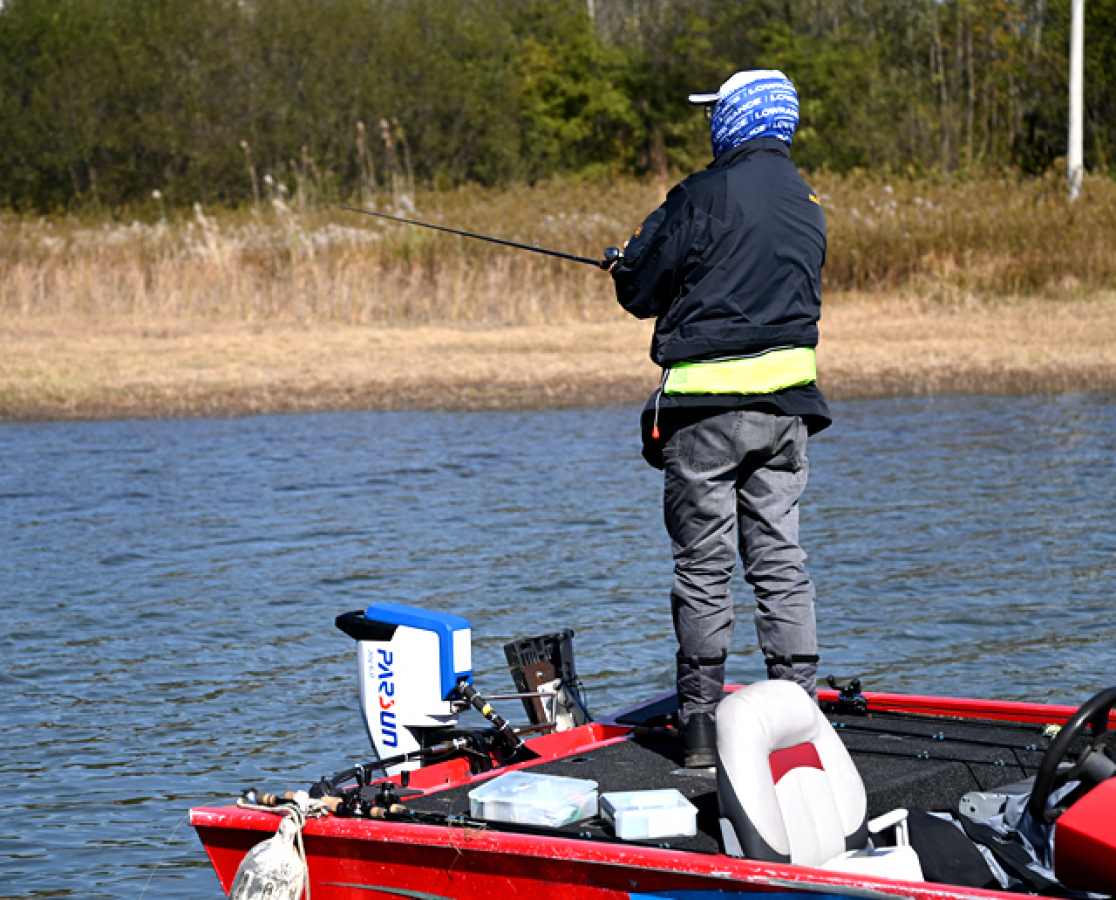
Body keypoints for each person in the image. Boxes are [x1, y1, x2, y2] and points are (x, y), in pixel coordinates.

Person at [610, 70, 831, 768]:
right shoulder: (810, 202)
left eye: (716, 113)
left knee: (704, 567)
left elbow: (639, 288)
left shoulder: (701, 194)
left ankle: (701, 730)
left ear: (735, 120)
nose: (710, 125)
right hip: (787, 412)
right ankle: (797, 718)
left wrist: (623, 264)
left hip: (705, 414)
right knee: (781, 564)